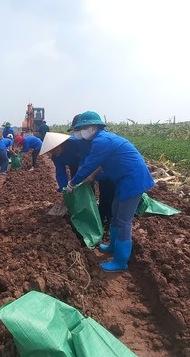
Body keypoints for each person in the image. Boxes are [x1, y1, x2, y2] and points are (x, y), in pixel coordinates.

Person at [65, 111, 155, 272]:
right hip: (123, 179)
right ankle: (113, 246)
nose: (81, 131)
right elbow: (99, 165)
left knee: (123, 220)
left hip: (133, 180)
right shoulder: (102, 139)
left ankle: (121, 262)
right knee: (115, 212)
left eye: (84, 127)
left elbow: (89, 166)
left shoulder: (102, 141)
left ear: (94, 127)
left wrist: (72, 183)